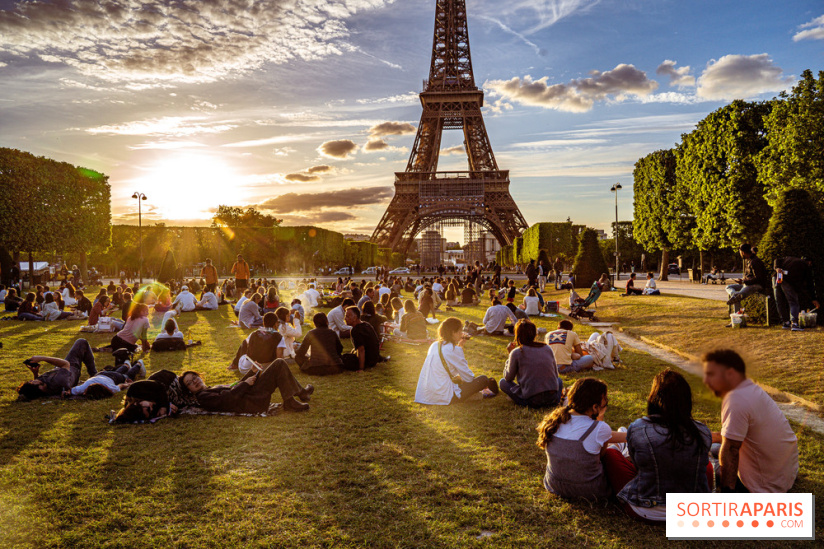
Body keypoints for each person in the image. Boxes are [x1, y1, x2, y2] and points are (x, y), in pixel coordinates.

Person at [606, 369, 713, 522]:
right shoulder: (702, 430)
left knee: (611, 454)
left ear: (653, 398)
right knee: (707, 466)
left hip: (645, 509)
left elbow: (638, 466)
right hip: (691, 511)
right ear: (687, 399)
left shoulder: (638, 427)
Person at [702, 349, 798, 493]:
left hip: (765, 486)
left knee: (702, 461)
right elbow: (737, 436)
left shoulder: (736, 400)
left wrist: (727, 493)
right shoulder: (750, 389)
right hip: (784, 474)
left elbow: (731, 449)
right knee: (713, 446)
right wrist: (707, 436)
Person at [536, 378, 626, 501]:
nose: (607, 402)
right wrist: (600, 415)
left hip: (554, 486)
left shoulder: (554, 421)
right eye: (606, 399)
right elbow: (601, 457)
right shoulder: (600, 428)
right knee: (614, 449)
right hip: (591, 491)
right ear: (595, 406)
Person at [414, 317, 498, 405]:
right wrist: (459, 348)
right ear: (453, 333)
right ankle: (485, 391)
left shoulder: (435, 345)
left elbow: (449, 363)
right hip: (445, 395)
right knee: (483, 379)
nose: (461, 333)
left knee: (461, 380)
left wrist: (460, 345)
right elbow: (468, 378)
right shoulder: (453, 349)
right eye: (460, 331)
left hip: (426, 394)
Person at [181, 362, 313, 413]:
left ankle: (300, 393)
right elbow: (226, 400)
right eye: (190, 383)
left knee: (279, 365)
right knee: (278, 364)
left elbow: (235, 387)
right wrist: (245, 384)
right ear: (189, 390)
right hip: (251, 401)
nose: (194, 382)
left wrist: (251, 372)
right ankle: (293, 399)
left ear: (200, 377)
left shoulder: (209, 388)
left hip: (249, 394)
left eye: (194, 377)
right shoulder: (203, 397)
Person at [500, 320, 563, 408]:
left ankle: (522, 397)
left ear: (517, 335)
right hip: (553, 398)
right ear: (534, 334)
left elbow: (508, 377)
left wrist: (510, 355)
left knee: (502, 382)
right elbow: (556, 375)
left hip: (532, 401)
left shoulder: (517, 352)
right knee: (559, 380)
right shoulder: (547, 348)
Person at [16, 339, 98, 401]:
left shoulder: (43, 390)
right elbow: (66, 364)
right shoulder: (58, 381)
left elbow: (35, 388)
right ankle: (94, 375)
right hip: (71, 368)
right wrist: (42, 358)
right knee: (81, 342)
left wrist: (35, 373)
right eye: (32, 382)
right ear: (40, 388)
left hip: (60, 371)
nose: (32, 380)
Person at [773, 256, 820, 331]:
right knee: (793, 302)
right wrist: (813, 299)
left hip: (776, 277)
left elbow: (777, 259)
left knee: (779, 301)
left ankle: (785, 322)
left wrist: (777, 268)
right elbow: (810, 284)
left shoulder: (789, 258)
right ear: (809, 263)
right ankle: (794, 323)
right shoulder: (806, 266)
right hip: (788, 280)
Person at [69, 359, 145, 399]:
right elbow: (70, 391)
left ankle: (139, 364)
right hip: (102, 374)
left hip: (112, 377)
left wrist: (129, 383)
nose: (84, 393)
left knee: (128, 376)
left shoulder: (111, 388)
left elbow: (122, 385)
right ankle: (126, 365)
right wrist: (67, 392)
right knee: (116, 373)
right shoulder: (84, 387)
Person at [726, 243, 770, 310]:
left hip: (756, 285)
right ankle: (734, 296)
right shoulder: (749, 260)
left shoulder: (755, 261)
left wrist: (744, 281)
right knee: (729, 287)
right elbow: (750, 275)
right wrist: (743, 280)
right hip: (748, 284)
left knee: (737, 296)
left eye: (740, 252)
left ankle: (738, 316)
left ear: (743, 252)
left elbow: (759, 278)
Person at [341, 306, 383, 372]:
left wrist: (361, 368)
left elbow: (361, 350)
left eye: (347, 316)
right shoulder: (366, 325)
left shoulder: (355, 330)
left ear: (355, 318)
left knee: (343, 358)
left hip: (367, 361)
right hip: (374, 359)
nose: (345, 319)